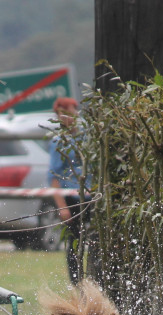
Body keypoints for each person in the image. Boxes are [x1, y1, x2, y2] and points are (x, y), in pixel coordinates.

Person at [48, 96, 92, 284]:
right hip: (71, 198)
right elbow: (54, 177)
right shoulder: (58, 142)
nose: (65, 118)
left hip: (91, 195)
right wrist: (62, 207)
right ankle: (76, 283)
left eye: (69, 113)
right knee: (74, 243)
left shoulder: (88, 137)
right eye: (61, 115)